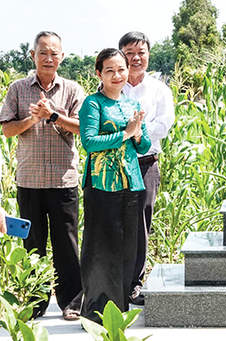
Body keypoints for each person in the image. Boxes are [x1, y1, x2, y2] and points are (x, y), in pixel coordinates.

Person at [0, 31, 84, 321]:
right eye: (43, 52)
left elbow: (82, 128)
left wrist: (53, 116)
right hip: (30, 180)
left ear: (62, 56)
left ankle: (71, 302)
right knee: (32, 243)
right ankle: (35, 303)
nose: (49, 58)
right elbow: (7, 129)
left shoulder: (72, 90)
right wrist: (33, 118)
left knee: (66, 243)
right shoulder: (18, 89)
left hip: (63, 180)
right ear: (32, 55)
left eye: (54, 53)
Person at [79, 48, 151, 323]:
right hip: (101, 183)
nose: (117, 75)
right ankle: (97, 311)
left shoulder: (130, 104)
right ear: (99, 74)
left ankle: (119, 309)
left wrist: (137, 133)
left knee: (127, 247)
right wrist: (125, 133)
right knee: (101, 246)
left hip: (131, 181)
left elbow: (143, 145)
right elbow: (89, 142)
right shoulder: (93, 104)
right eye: (110, 70)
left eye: (121, 69)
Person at [118, 31, 174, 305]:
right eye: (129, 53)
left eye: (141, 52)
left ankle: (134, 284)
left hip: (145, 165)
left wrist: (133, 132)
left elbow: (163, 126)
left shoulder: (159, 90)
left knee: (140, 225)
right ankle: (111, 283)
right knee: (112, 222)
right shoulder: (112, 87)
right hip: (114, 165)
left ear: (148, 55)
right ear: (121, 55)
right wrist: (129, 132)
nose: (136, 58)